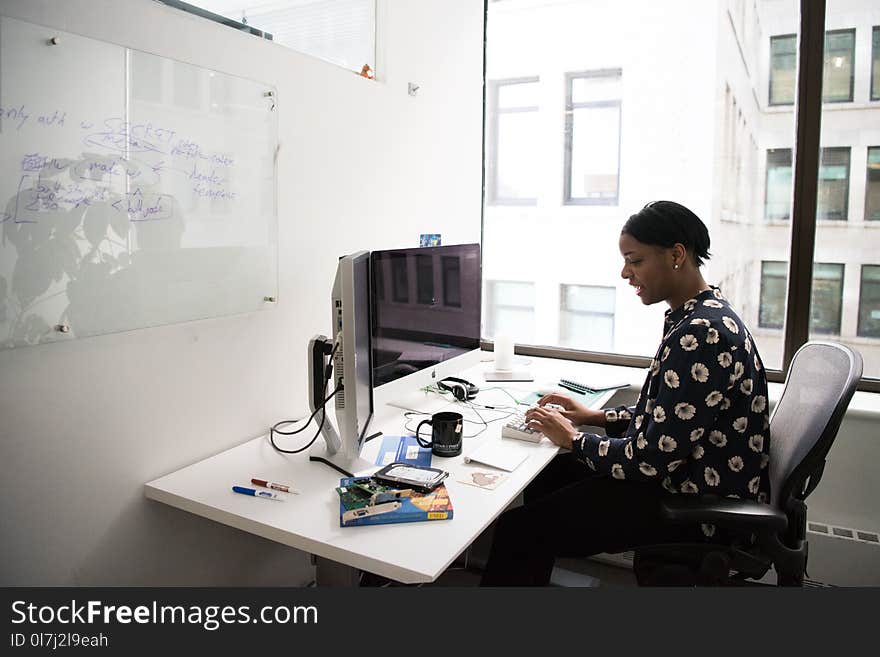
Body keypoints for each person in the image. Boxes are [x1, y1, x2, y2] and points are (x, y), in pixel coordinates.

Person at [480, 200, 771, 586]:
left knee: (519, 530)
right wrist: (594, 417)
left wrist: (574, 439)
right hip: (683, 476)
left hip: (689, 502)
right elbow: (674, 414)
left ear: (676, 255)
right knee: (549, 478)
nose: (624, 273)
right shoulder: (701, 314)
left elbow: (651, 459)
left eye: (634, 260)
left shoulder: (701, 334)